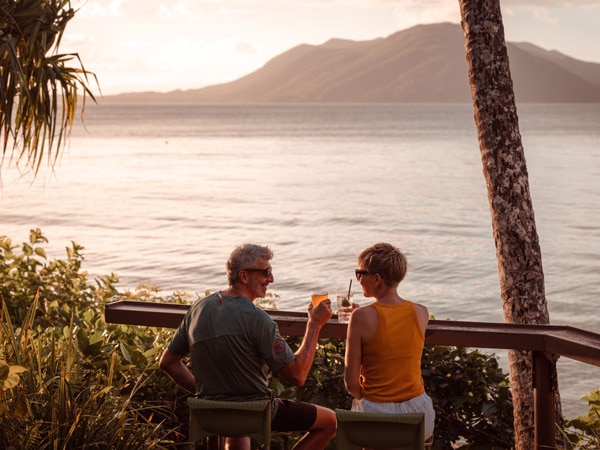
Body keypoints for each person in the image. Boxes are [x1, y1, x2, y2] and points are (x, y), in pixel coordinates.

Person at [159, 243, 336, 450]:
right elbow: (298, 374)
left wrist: (205, 394)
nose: (271, 279)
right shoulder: (257, 319)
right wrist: (314, 325)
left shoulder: (198, 308)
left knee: (238, 430)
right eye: (266, 272)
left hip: (210, 412)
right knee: (330, 421)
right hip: (255, 413)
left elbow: (167, 363)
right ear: (244, 276)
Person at [343, 242, 435, 440]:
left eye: (360, 273)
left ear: (376, 279)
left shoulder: (360, 317)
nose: (358, 279)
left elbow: (351, 383)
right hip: (419, 417)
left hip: (378, 419)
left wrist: (359, 316)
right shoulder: (421, 312)